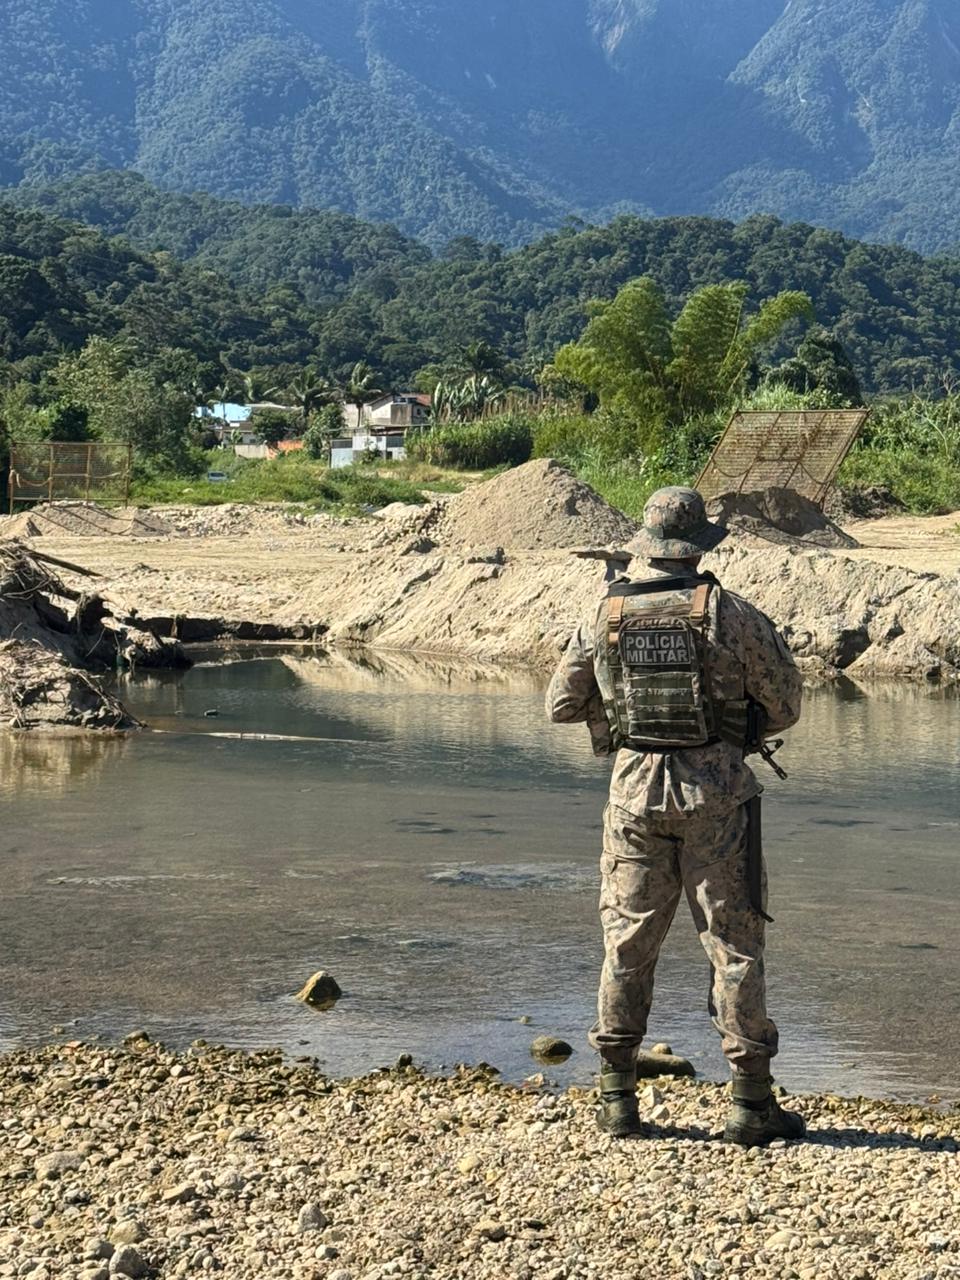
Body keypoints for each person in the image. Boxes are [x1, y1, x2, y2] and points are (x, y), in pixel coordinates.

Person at [546, 486, 804, 1147]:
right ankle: (750, 1107)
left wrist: (620, 716)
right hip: (717, 802)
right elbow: (784, 706)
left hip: (633, 800)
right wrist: (729, 732)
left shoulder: (605, 612)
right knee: (735, 948)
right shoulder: (730, 612)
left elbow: (560, 704)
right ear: (696, 550)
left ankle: (617, 1103)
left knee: (627, 949)